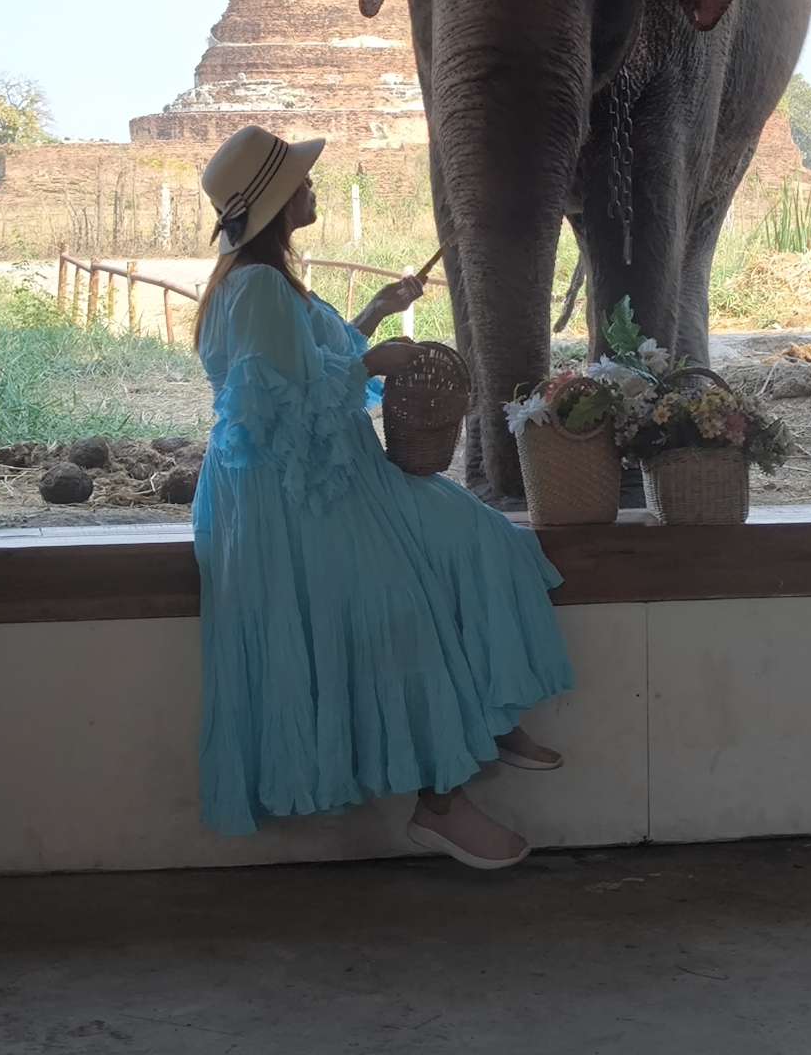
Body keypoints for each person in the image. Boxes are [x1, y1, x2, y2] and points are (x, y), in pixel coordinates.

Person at [192, 124, 574, 869]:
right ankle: (442, 800)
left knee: (481, 536)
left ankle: (489, 717)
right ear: (275, 203)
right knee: (400, 607)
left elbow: (305, 371)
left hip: (314, 479)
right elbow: (276, 414)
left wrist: (372, 313)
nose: (311, 188)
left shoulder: (267, 284)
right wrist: (369, 359)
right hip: (292, 497)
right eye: (299, 182)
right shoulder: (259, 288)